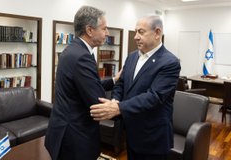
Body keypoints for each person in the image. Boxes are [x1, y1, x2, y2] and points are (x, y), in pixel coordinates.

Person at [90, 15, 181, 160]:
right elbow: (121, 83)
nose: (136, 37)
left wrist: (118, 108)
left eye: (141, 32)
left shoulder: (170, 62)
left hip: (153, 137)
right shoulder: (132, 57)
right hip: (131, 133)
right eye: (135, 32)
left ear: (157, 33)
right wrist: (115, 100)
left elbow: (154, 96)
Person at [45, 6, 117, 160]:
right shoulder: (82, 57)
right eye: (104, 28)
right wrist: (121, 108)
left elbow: (84, 86)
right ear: (90, 30)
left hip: (63, 130)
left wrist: (114, 80)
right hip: (75, 138)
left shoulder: (71, 50)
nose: (107, 33)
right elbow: (97, 100)